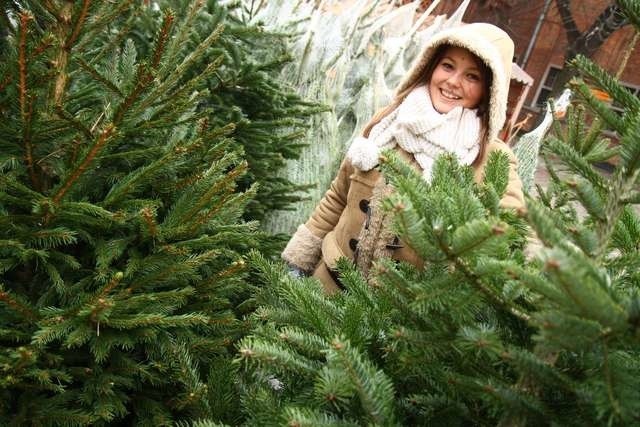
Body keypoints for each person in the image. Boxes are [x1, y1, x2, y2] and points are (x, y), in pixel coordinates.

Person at [282, 23, 525, 293]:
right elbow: (338, 196)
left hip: (398, 319)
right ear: (430, 66)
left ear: (490, 90)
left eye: (472, 76)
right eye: (447, 66)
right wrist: (299, 259)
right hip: (324, 289)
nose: (453, 81)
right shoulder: (388, 122)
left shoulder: (491, 159)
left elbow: (511, 234)